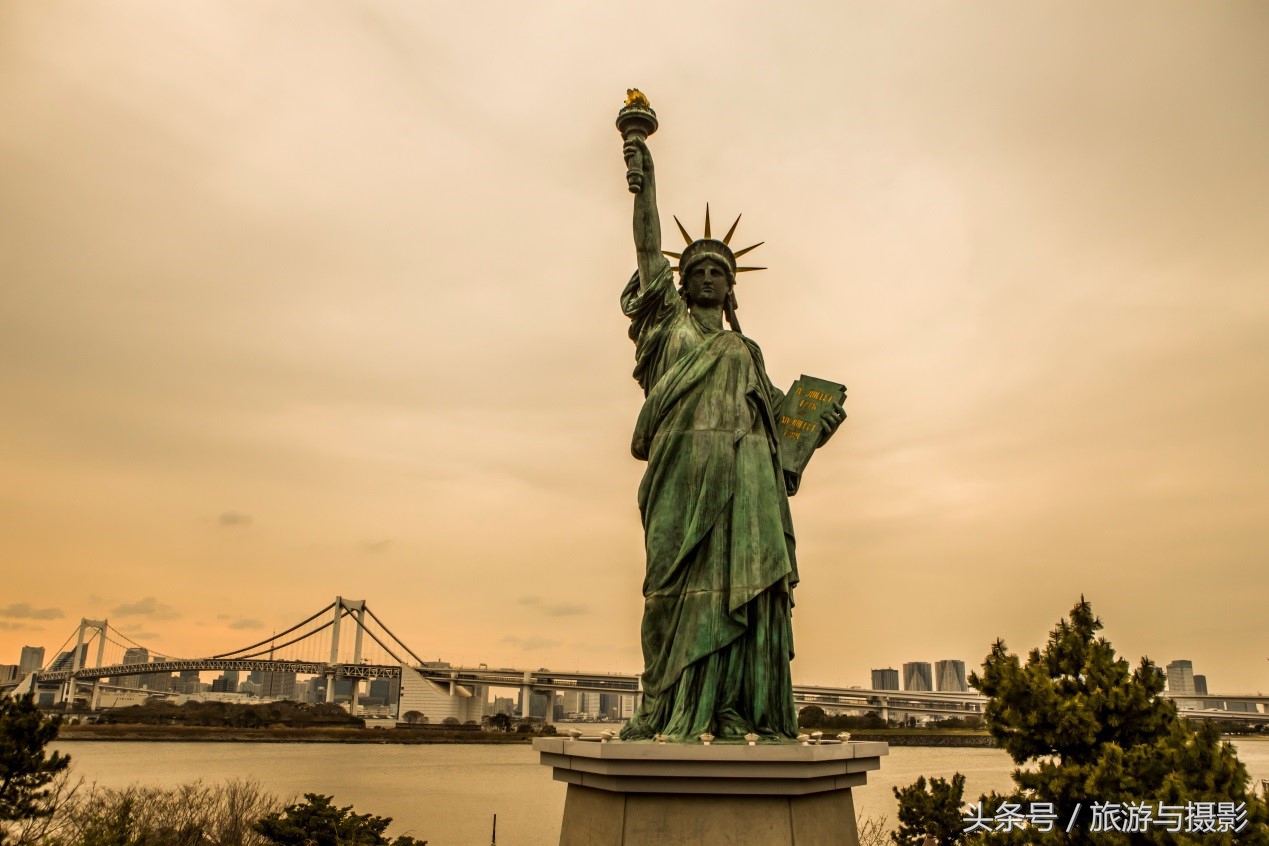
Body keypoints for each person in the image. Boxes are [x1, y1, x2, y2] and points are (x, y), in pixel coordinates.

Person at [618, 136, 845, 741]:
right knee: (668, 591)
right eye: (698, 271)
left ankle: (727, 706)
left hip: (743, 492)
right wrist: (644, 172)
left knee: (734, 593)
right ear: (682, 283)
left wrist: (814, 423)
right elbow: (646, 249)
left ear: (731, 285)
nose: (710, 278)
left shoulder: (746, 350)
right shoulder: (668, 330)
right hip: (680, 475)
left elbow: (777, 430)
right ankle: (664, 705)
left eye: (720, 271)